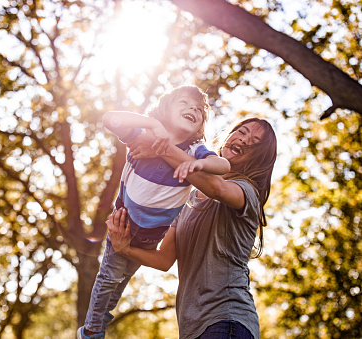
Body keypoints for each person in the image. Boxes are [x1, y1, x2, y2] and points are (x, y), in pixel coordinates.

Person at [77, 85, 231, 339]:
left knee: (121, 280)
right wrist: (152, 124)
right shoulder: (141, 135)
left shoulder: (193, 152)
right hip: (123, 223)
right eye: (184, 103)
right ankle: (92, 331)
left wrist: (198, 164)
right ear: (165, 109)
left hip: (149, 238)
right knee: (109, 277)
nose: (193, 109)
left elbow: (222, 166)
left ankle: (101, 320)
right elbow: (110, 119)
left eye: (199, 110)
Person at [107, 118, 277, 339]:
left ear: (258, 158)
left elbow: (217, 188)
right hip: (192, 328)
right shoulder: (188, 199)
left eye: (254, 142)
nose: (244, 140)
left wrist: (161, 149)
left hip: (228, 321)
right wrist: (125, 249)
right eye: (242, 132)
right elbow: (165, 259)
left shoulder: (247, 193)